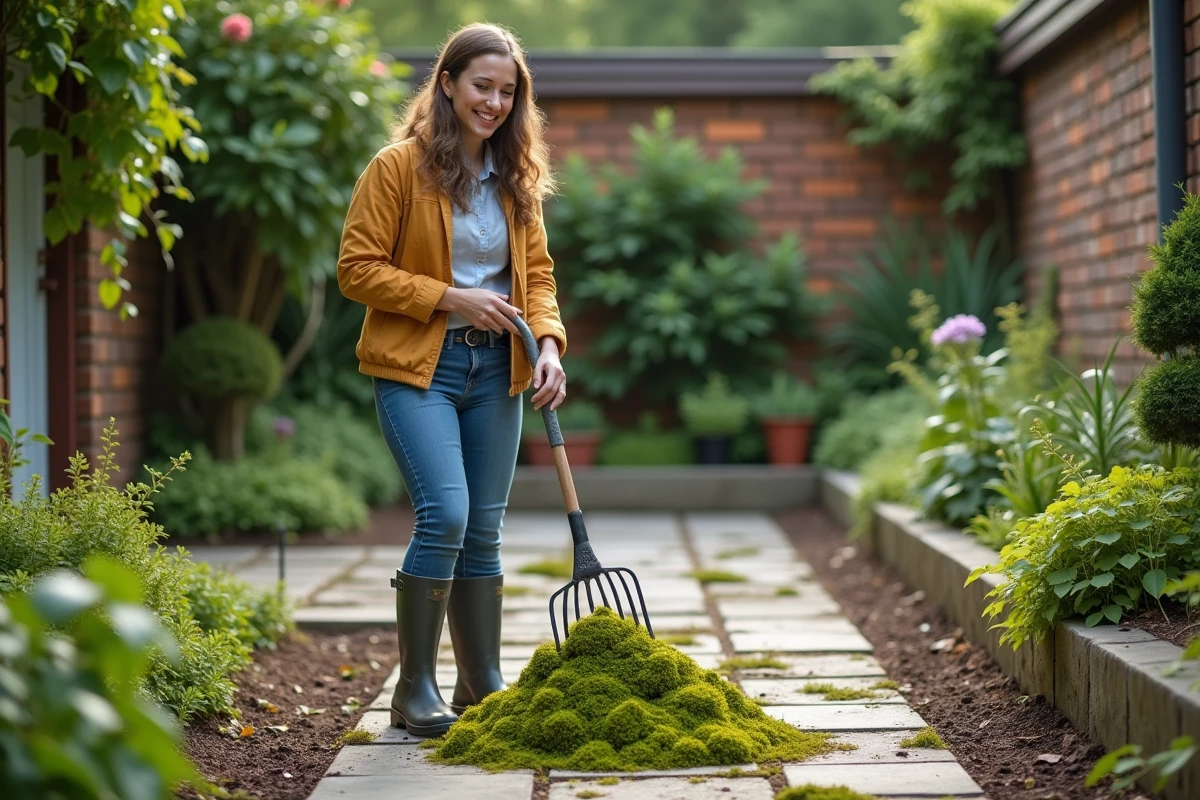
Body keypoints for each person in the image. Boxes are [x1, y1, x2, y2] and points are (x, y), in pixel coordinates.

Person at [337, 22, 567, 737]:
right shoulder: (398, 168)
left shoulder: (516, 179)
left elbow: (537, 278)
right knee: (447, 514)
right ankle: (415, 688)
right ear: (447, 83)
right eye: (481, 86)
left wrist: (550, 344)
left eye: (507, 91)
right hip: (419, 368)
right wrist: (451, 297)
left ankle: (481, 680)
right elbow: (357, 269)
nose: (494, 102)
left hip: (498, 369)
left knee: (486, 533)